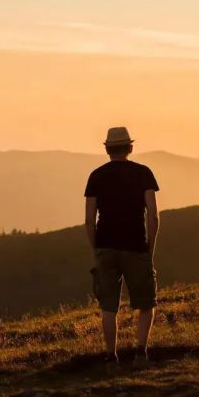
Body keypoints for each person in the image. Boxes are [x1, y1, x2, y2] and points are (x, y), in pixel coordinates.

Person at [84, 126, 160, 373]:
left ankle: (110, 357)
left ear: (107, 149)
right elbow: (153, 215)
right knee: (145, 302)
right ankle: (140, 352)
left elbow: (88, 219)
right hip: (136, 244)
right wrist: (150, 248)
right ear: (130, 148)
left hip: (106, 245)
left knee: (108, 306)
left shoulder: (96, 176)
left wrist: (97, 248)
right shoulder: (144, 173)